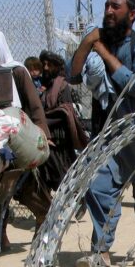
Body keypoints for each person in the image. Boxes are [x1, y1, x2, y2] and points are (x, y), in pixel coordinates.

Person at [68, 0, 135, 267]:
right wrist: (87, 43)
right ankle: (102, 253)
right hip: (108, 131)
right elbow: (72, 76)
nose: (109, 11)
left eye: (116, 7)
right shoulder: (99, 39)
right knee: (99, 186)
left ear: (131, 14)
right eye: (107, 6)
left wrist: (100, 50)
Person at [0, 29, 52, 250]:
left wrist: (42, 135)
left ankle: (43, 223)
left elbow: (33, 105)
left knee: (28, 187)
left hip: (20, 138)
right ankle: (2, 236)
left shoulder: (17, 71)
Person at [39, 50, 89, 220]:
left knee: (63, 174)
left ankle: (80, 200)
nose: (46, 68)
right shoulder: (47, 88)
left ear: (56, 66)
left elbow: (64, 112)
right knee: (52, 174)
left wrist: (43, 120)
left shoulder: (62, 86)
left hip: (60, 139)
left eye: (49, 64)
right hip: (48, 138)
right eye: (44, 64)